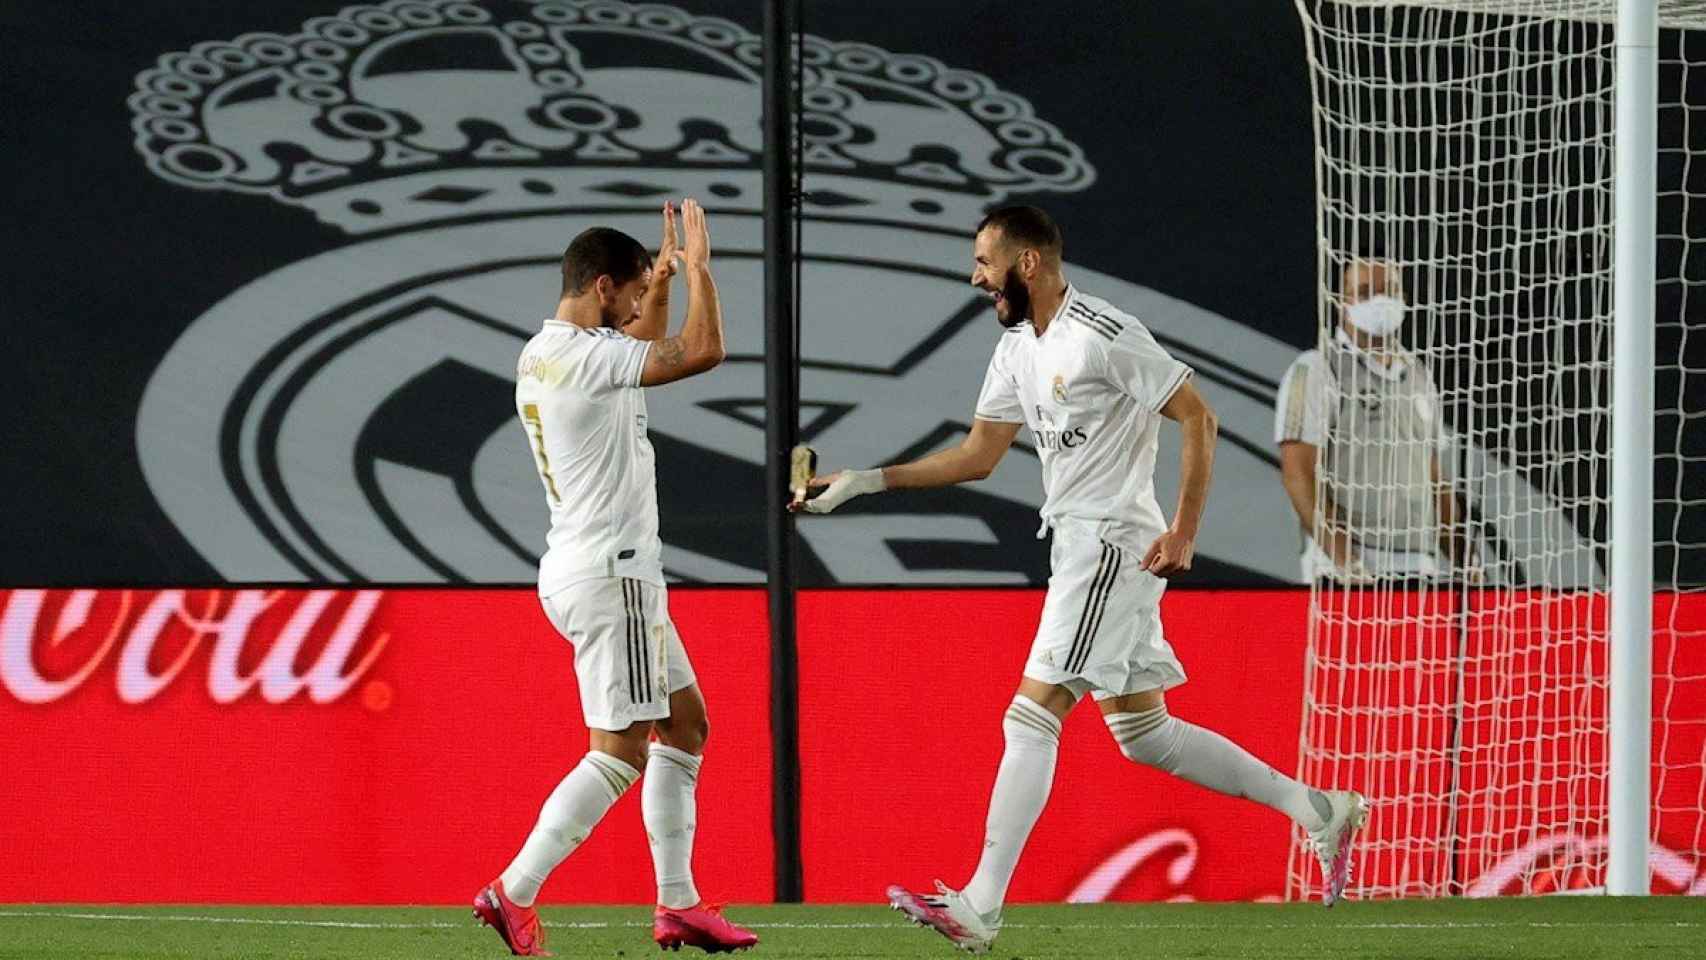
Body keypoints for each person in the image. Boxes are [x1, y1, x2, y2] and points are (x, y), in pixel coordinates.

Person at [794, 205, 1367, 953]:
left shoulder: (1103, 333)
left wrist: (1185, 529)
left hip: (1111, 542)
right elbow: (977, 456)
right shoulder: (1014, 351)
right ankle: (1318, 808)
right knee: (1145, 735)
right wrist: (865, 481)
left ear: (1026, 264)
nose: (975, 276)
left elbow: (1198, 416)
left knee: (1029, 716)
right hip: (1074, 544)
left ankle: (981, 905)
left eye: (984, 261)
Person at [476, 200, 757, 957]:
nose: (639, 309)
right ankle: (515, 889)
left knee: (687, 724)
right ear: (602, 286)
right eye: (632, 294)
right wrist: (698, 268)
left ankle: (678, 903)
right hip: (613, 575)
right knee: (620, 749)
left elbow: (642, 347)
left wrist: (658, 280)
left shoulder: (548, 351)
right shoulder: (587, 358)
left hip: (586, 567)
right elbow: (697, 351)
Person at [1273, 255, 1470, 583]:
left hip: (1419, 563)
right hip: (1349, 568)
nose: (1380, 302)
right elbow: (1298, 473)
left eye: (1389, 290)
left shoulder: (1419, 375)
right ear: (1341, 302)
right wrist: (1346, 562)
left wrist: (1465, 558)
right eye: (1365, 292)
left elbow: (1435, 476)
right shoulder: (1317, 369)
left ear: (1404, 298)